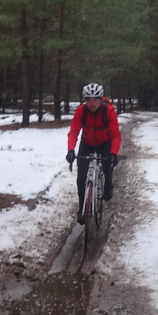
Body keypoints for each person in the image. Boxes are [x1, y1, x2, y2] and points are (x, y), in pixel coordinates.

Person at [66, 83, 121, 224]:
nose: (92, 104)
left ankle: (108, 185)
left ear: (100, 99)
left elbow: (115, 134)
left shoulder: (108, 111)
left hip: (104, 142)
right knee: (81, 177)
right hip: (87, 143)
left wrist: (113, 153)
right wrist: (71, 150)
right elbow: (73, 132)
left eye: (95, 100)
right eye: (89, 100)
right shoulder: (81, 111)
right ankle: (82, 209)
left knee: (107, 166)